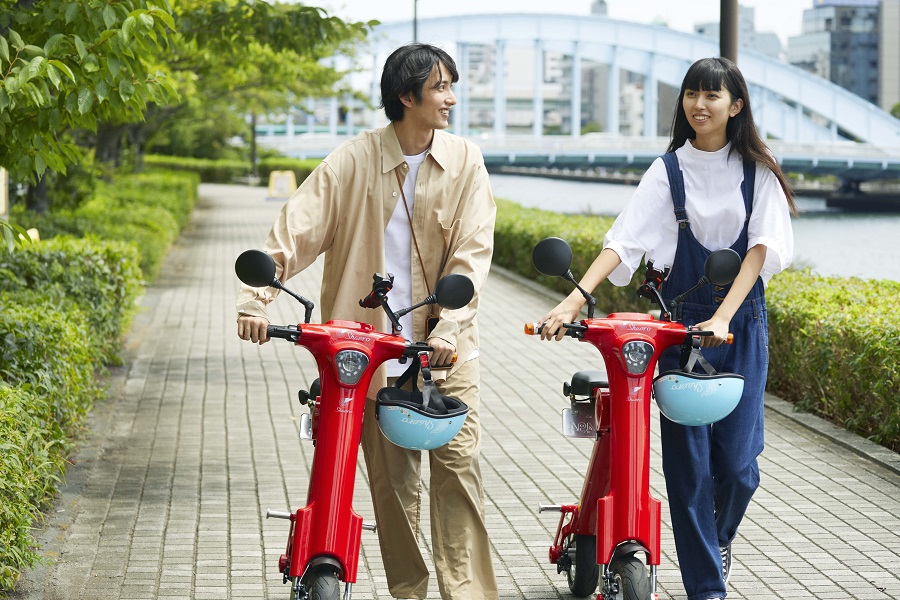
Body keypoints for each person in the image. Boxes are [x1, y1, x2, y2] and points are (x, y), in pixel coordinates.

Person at [236, 43, 498, 600]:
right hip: (370, 352)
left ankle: (468, 594)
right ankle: (410, 591)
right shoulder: (352, 161)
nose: (451, 99)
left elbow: (472, 255)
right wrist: (257, 299)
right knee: (394, 490)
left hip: (448, 350)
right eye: (440, 88)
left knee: (459, 473)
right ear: (407, 97)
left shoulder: (466, 160)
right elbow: (294, 231)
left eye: (452, 85)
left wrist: (449, 325)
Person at [537, 57, 795, 600]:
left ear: (737, 105)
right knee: (690, 470)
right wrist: (572, 301)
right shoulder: (668, 170)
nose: (699, 104)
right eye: (691, 94)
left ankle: (716, 541)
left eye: (712, 95)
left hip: (739, 325)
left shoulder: (758, 171)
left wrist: (724, 315)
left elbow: (762, 247)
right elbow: (623, 242)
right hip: (680, 332)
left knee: (740, 469)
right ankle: (708, 589)